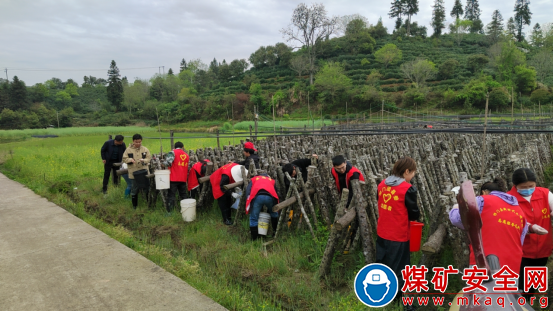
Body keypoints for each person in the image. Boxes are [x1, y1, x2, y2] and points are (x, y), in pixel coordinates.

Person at [376, 156, 420, 304]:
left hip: (382, 231)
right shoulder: (407, 189)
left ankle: (382, 292)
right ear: (406, 171)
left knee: (384, 262)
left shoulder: (382, 184)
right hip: (398, 234)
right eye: (413, 172)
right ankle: (395, 299)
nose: (413, 176)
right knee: (399, 268)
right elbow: (414, 213)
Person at [506, 168, 553, 297]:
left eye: (531, 186)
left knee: (534, 282)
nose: (528, 189)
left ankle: (530, 299)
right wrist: (530, 228)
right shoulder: (509, 199)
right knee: (521, 284)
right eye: (523, 187)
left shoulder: (545, 194)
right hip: (521, 250)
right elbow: (510, 221)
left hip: (543, 247)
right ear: (515, 186)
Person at [245, 173, 280, 241]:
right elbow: (275, 192)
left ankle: (254, 238)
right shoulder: (271, 180)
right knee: (274, 214)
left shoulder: (254, 179)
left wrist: (249, 202)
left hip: (258, 197)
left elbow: (248, 191)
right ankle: (274, 233)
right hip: (270, 197)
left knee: (253, 218)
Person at [122, 134, 151, 209]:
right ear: (133, 141)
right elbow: (124, 159)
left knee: (147, 188)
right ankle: (134, 206)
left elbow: (149, 158)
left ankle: (148, 205)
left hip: (144, 171)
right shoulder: (128, 150)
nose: (138, 143)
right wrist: (130, 160)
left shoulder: (145, 149)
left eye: (139, 142)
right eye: (136, 142)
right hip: (133, 172)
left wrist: (144, 160)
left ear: (141, 141)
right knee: (134, 189)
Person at [164, 142, 189, 215]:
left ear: (175, 147)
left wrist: (163, 163)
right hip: (183, 178)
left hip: (173, 178)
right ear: (182, 147)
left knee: (171, 195)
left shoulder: (172, 152)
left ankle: (169, 212)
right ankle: (186, 211)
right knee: (183, 195)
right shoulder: (186, 155)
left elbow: (168, 163)